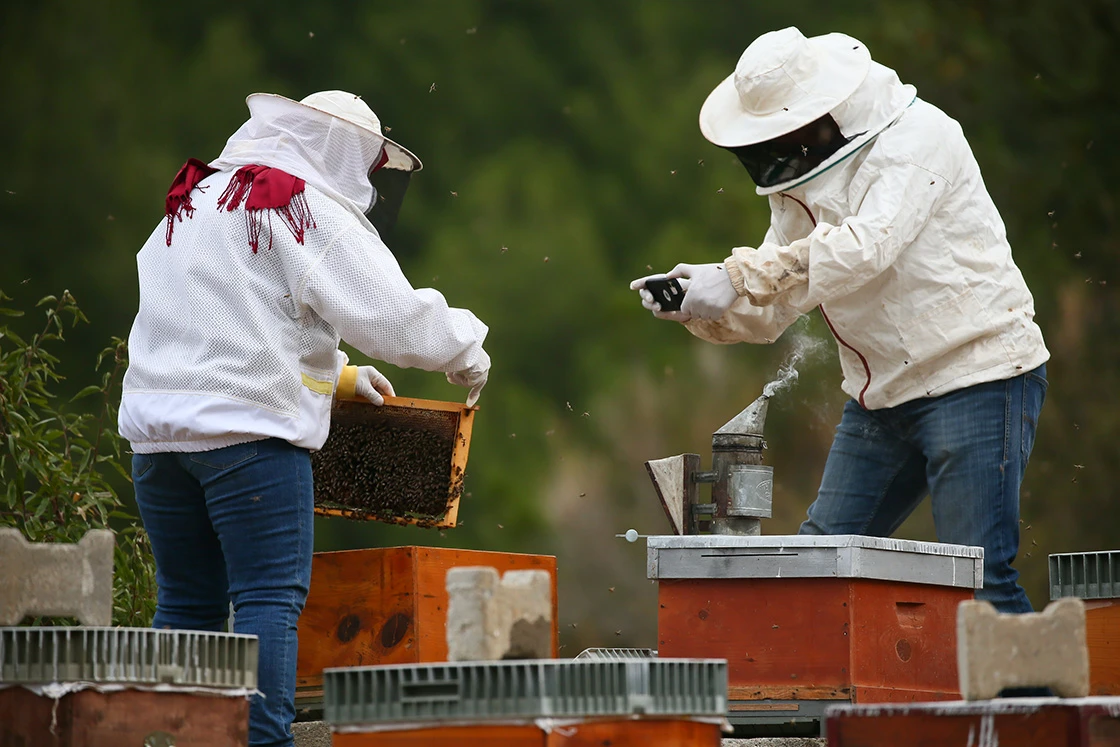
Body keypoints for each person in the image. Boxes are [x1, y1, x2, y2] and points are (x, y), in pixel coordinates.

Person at [632, 28, 1049, 615]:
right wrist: (703, 308)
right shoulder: (802, 182)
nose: (773, 150)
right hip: (880, 398)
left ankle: (1032, 708)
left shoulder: (918, 138)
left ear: (817, 115)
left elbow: (863, 248)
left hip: (975, 376)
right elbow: (778, 300)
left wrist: (737, 275)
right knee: (817, 570)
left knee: (978, 583)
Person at [118, 90, 490, 746]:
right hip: (247, 448)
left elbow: (222, 326)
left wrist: (338, 376)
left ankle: (169, 738)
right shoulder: (300, 202)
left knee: (186, 605)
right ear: (346, 154)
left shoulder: (201, 196)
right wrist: (465, 348)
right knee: (267, 598)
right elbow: (396, 316)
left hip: (157, 444)